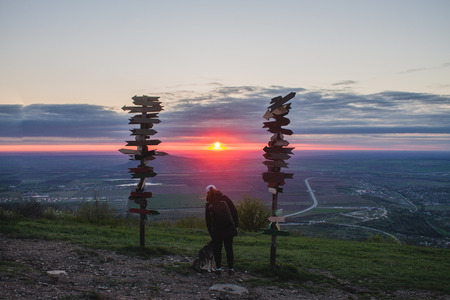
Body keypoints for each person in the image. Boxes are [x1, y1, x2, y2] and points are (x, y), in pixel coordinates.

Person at [205, 185, 238, 275]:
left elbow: (208, 220)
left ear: (207, 193)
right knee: (229, 249)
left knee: (217, 249)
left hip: (216, 230)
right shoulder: (225, 199)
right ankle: (231, 269)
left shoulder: (209, 204)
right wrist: (235, 226)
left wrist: (211, 233)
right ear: (216, 190)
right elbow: (234, 212)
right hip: (229, 228)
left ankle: (218, 269)